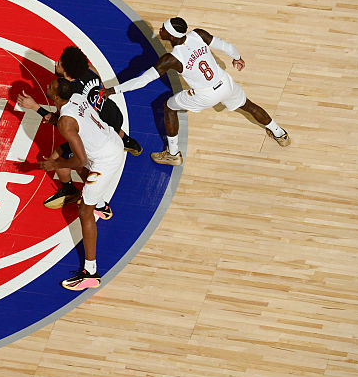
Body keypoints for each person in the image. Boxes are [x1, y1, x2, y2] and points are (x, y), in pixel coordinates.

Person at [106, 17, 290, 165]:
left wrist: (113, 90)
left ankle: (172, 154)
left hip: (205, 94)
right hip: (224, 82)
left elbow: (142, 81)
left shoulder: (171, 59)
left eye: (163, 29)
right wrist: (237, 58)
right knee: (248, 106)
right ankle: (280, 133)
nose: (160, 30)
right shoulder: (198, 34)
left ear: (171, 36)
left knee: (169, 107)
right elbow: (227, 47)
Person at [32, 78, 126, 290]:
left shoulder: (65, 122)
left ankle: (90, 273)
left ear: (56, 97)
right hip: (109, 142)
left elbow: (81, 160)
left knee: (84, 211)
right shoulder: (75, 98)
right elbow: (70, 122)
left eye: (50, 86)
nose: (47, 85)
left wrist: (55, 164)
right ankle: (101, 205)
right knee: (70, 158)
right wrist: (36, 107)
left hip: (105, 160)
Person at [57, 46, 143, 156]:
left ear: (66, 72)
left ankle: (81, 154)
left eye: (58, 63)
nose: (55, 63)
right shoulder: (90, 69)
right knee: (113, 126)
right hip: (114, 112)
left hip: (101, 127)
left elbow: (69, 117)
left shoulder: (70, 93)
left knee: (78, 133)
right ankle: (130, 143)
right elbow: (99, 83)